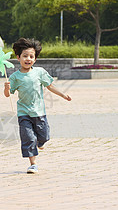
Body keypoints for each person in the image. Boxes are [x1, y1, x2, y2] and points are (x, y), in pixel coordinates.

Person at [4, 38, 72, 174]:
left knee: (44, 136)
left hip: (39, 112)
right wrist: (6, 88)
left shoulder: (40, 72)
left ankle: (40, 143)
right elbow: (8, 95)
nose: (28, 59)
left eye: (31, 56)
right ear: (18, 57)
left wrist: (63, 95)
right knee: (28, 138)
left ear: (35, 59)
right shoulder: (15, 77)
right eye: (25, 56)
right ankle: (33, 164)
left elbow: (50, 86)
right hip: (24, 113)